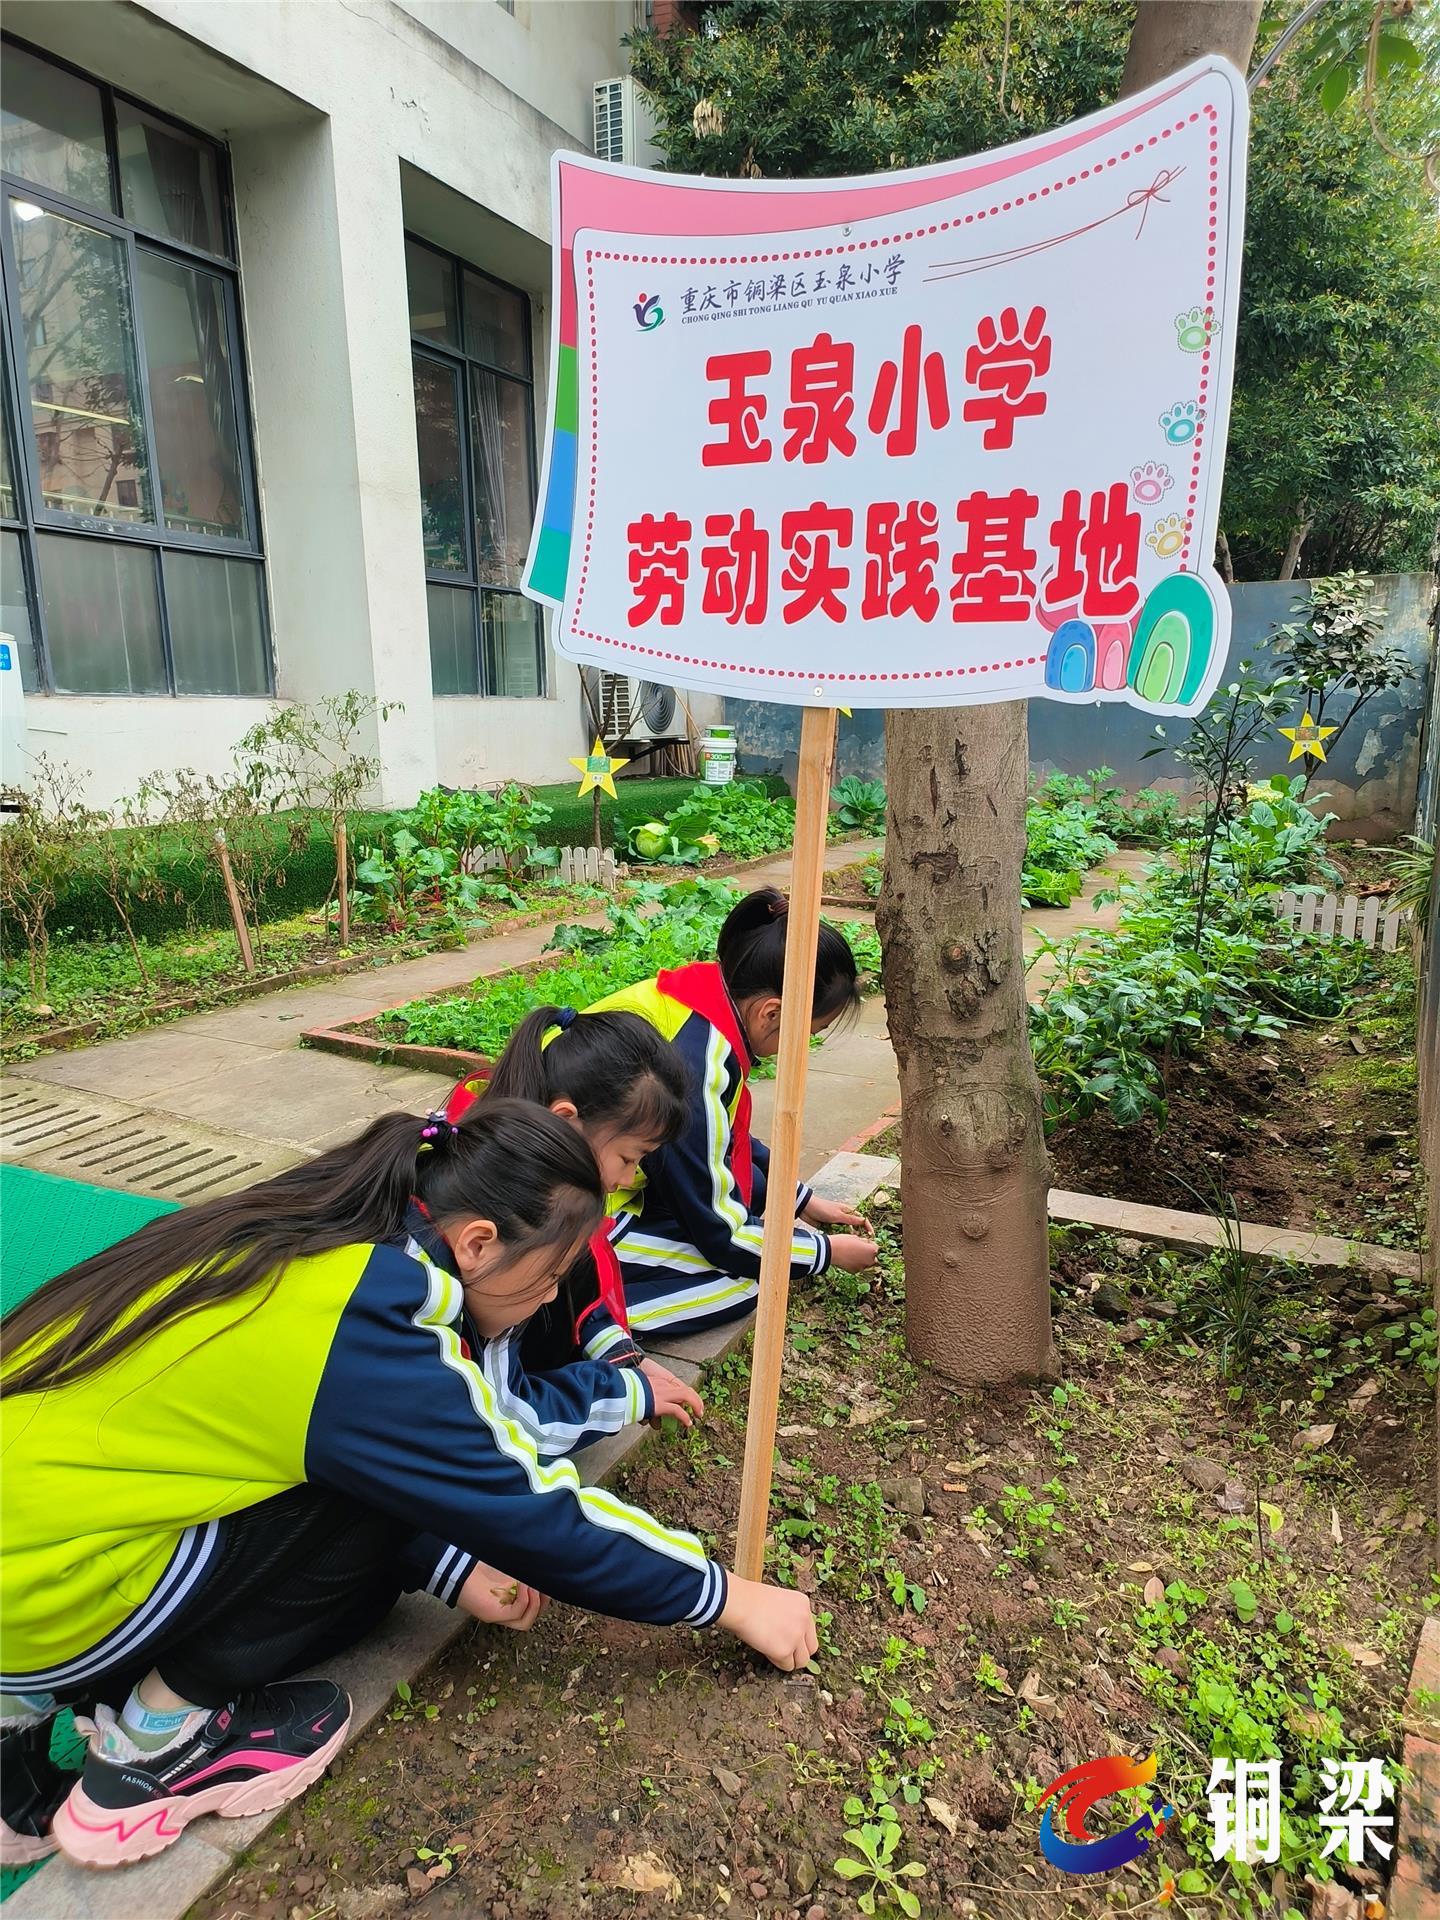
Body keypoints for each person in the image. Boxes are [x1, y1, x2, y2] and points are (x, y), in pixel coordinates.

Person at [0, 1099, 817, 1873]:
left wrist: (446, 1565)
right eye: (548, 1275)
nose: (544, 1299)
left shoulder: (317, 1227)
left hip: (32, 1549)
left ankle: (12, 1763)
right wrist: (732, 1597)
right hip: (49, 1596)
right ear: (478, 1243)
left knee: (375, 1540)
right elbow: (533, 1512)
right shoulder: (372, 1333)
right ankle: (159, 1748)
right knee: (373, 1514)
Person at [582, 886, 880, 1347]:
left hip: (576, 1189)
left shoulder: (697, 1004)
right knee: (751, 1278)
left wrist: (796, 1200)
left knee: (763, 1247)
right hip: (559, 1218)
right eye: (810, 1033)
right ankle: (572, 1317)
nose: (802, 1049)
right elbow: (722, 1233)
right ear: (771, 1012)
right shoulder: (695, 1065)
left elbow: (719, 1144)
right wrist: (825, 1252)